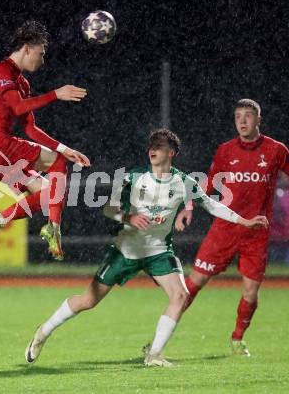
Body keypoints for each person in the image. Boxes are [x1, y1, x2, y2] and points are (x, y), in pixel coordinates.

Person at [25, 129, 268, 367]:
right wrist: (127, 218)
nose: (152, 150)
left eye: (159, 146)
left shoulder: (184, 182)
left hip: (158, 251)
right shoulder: (133, 177)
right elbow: (109, 209)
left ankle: (154, 354)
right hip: (126, 250)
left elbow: (213, 205)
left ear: (171, 152)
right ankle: (43, 333)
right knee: (88, 300)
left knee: (180, 295)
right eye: (151, 146)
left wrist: (245, 221)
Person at [175, 99, 289, 357]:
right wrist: (189, 207)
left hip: (256, 234)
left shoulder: (276, 150)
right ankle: (161, 338)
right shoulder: (226, 151)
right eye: (238, 116)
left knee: (250, 291)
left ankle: (237, 338)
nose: (243, 121)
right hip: (224, 230)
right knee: (194, 282)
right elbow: (209, 185)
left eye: (248, 116)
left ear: (258, 119)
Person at [0, 20, 90, 259]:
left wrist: (64, 147)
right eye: (41, 53)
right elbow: (17, 108)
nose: (42, 59)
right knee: (57, 163)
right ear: (27, 47)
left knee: (51, 193)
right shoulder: (0, 70)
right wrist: (55, 94)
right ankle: (54, 228)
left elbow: (31, 128)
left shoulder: (22, 83)